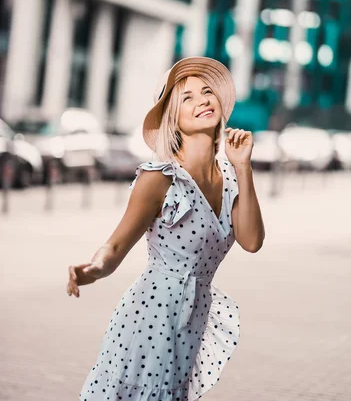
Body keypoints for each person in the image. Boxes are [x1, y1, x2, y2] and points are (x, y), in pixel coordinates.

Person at [67, 56, 265, 400]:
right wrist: (95, 269)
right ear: (173, 118)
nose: (202, 100)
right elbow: (115, 246)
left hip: (192, 320)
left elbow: (252, 240)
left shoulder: (232, 178)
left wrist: (244, 166)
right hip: (149, 318)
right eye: (187, 97)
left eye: (207, 92)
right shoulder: (159, 178)